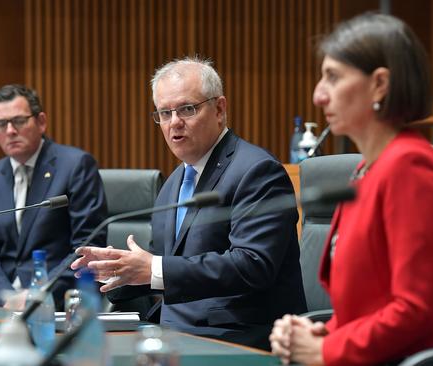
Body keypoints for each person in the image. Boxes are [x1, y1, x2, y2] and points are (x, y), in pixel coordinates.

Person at [270, 13, 433, 366]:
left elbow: (414, 311)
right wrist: (325, 332)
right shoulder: (367, 168)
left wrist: (328, 349)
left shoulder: (411, 169)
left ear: (379, 85)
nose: (318, 94)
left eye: (332, 77)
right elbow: (368, 305)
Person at [72, 57, 306, 349]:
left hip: (237, 337)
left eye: (187, 109)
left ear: (219, 109)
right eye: (165, 113)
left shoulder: (256, 171)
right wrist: (121, 271)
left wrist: (155, 268)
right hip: (173, 333)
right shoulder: (174, 183)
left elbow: (252, 265)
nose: (174, 123)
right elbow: (171, 266)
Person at [0, 84, 108, 308]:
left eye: (18, 121)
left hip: (60, 302)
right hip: (3, 306)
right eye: (1, 124)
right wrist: (7, 298)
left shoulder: (75, 166)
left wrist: (37, 296)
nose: (10, 131)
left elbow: (86, 247)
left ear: (41, 122)